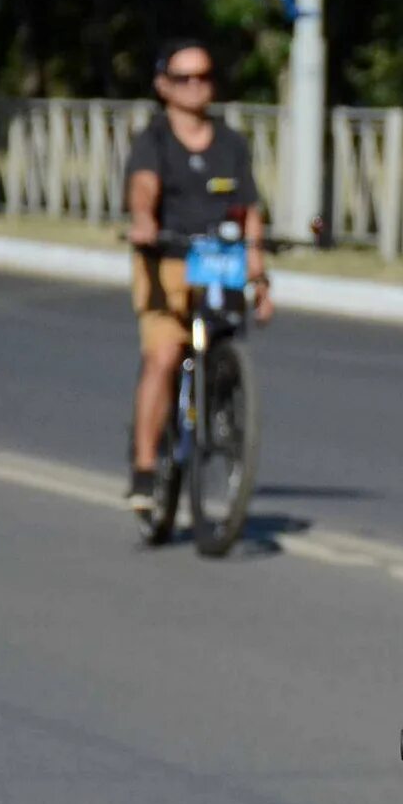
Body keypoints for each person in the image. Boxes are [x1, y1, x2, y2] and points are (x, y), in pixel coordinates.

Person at [123, 40, 271, 510]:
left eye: (204, 76)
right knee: (164, 356)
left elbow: (250, 212)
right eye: (184, 77)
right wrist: (144, 221)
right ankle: (146, 469)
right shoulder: (155, 140)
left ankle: (223, 417)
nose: (196, 86)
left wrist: (259, 276)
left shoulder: (231, 143)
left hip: (220, 265)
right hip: (168, 261)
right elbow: (143, 190)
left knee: (224, 347)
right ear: (163, 85)